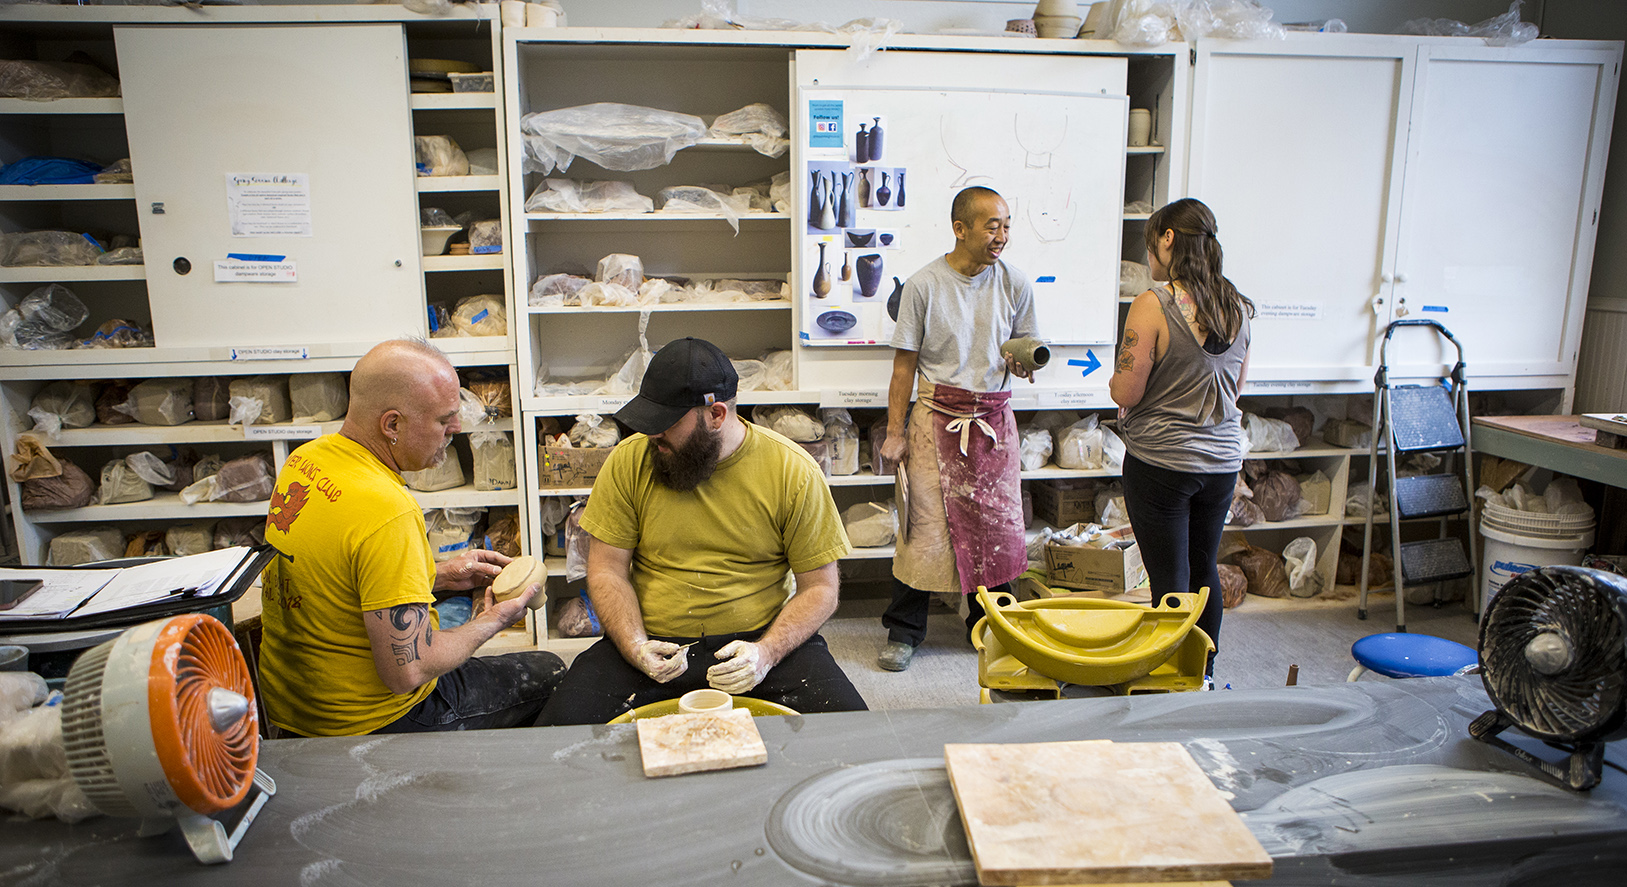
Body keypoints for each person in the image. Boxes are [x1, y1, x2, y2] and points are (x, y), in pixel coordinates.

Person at [539, 337, 868, 724]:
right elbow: (607, 569)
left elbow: (821, 589)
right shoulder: (629, 461)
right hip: (651, 644)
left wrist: (766, 653)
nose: (652, 435)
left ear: (716, 415)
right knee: (554, 737)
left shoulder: (792, 470)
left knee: (853, 736)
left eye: (666, 423)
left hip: (759, 642)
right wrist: (634, 645)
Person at [259, 339, 565, 736]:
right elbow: (409, 670)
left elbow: (338, 581)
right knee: (551, 670)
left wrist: (436, 575)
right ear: (392, 425)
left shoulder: (307, 460)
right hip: (367, 720)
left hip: (294, 706)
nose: (456, 428)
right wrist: (493, 621)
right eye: (443, 420)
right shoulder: (387, 509)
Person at [876, 186, 1037, 673]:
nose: (1001, 236)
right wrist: (894, 432)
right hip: (935, 418)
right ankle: (904, 630)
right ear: (960, 228)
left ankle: (990, 624)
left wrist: (1024, 362)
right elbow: (903, 368)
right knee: (924, 529)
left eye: (1006, 226)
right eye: (992, 226)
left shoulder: (1015, 283)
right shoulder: (923, 286)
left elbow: (1027, 345)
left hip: (993, 421)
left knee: (997, 527)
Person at [1110, 198, 1253, 679]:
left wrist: (1116, 379)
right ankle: (1202, 672)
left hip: (1162, 463)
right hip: (1222, 463)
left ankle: (1169, 674)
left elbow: (1126, 390)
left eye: (1150, 241)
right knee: (1203, 568)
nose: (1148, 253)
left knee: (1170, 576)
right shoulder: (1237, 307)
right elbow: (1236, 389)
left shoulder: (1153, 305)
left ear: (1168, 238)